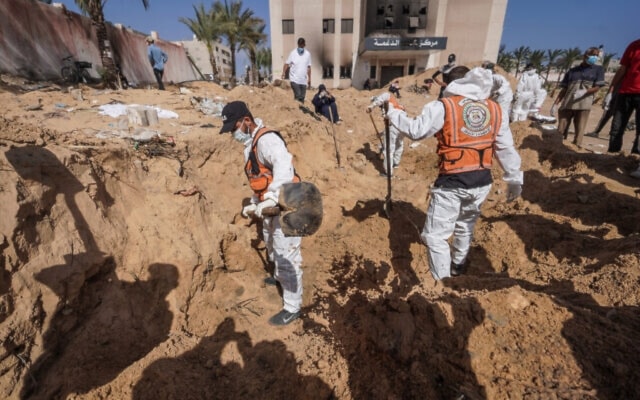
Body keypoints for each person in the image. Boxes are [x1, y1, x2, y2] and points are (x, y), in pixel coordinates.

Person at [372, 66, 523, 280]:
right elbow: (505, 147)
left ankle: (443, 285)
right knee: (464, 226)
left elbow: (416, 130)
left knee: (434, 237)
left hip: (454, 181)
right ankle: (457, 265)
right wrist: (515, 177)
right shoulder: (494, 109)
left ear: (450, 83)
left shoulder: (444, 107)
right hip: (482, 181)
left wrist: (393, 111)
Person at [219, 101, 304, 326]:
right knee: (271, 243)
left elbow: (284, 165)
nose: (233, 134)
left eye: (234, 128)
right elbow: (260, 178)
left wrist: (274, 196)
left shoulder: (267, 140)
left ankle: (293, 307)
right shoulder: (251, 145)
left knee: (287, 255)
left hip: (289, 202)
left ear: (247, 121)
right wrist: (255, 202)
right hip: (272, 205)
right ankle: (279, 278)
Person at [551, 47, 606, 147]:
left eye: (597, 56)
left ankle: (576, 149)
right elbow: (564, 89)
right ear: (585, 56)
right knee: (561, 130)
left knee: (579, 131)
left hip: (583, 105)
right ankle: (557, 148)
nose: (595, 58)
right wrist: (555, 103)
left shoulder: (598, 70)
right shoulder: (572, 71)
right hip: (567, 104)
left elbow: (597, 87)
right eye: (593, 55)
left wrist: (584, 91)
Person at [605, 39, 640, 166]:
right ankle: (613, 156)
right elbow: (623, 68)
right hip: (625, 92)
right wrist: (611, 90)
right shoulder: (634, 46)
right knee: (617, 125)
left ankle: (635, 160)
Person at [366, 94, 406, 177]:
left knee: (388, 149)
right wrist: (381, 133)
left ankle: (388, 172)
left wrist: (371, 107)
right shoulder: (394, 106)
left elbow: (380, 100)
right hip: (402, 124)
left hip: (394, 125)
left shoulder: (386, 96)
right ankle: (395, 163)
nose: (379, 107)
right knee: (399, 144)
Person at [282, 37, 312, 104]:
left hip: (303, 80)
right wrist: (283, 72)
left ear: (304, 45)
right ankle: (297, 111)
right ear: (298, 44)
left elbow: (309, 67)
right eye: (300, 45)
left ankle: (299, 113)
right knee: (298, 96)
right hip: (294, 79)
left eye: (302, 45)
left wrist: (309, 79)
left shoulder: (307, 54)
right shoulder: (293, 53)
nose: (301, 46)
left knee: (302, 98)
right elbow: (286, 64)